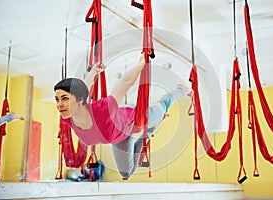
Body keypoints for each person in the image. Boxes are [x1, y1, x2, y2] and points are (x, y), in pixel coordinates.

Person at [54, 54, 191, 179]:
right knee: (127, 173)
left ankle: (181, 90)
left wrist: (140, 64)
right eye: (57, 99)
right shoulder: (66, 118)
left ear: (80, 99)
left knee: (162, 106)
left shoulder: (103, 109)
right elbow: (84, 87)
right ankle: (149, 132)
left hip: (135, 118)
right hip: (119, 136)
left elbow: (125, 82)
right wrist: (93, 73)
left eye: (64, 98)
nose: (59, 105)